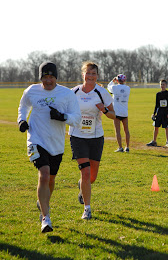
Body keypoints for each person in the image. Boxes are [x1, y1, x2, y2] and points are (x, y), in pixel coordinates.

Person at [17, 62, 81, 233]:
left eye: (51, 76)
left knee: (51, 179)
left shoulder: (66, 94)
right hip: (36, 139)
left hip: (56, 143)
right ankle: (46, 219)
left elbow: (77, 118)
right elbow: (23, 106)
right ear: (41, 78)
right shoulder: (31, 91)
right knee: (44, 174)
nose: (48, 80)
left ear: (56, 77)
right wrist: (21, 120)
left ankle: (43, 202)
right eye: (45, 77)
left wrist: (62, 116)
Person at [69, 61, 115, 220]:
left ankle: (82, 186)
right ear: (83, 74)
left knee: (92, 177)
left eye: (93, 73)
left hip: (96, 137)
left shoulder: (102, 92)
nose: (90, 76)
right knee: (86, 172)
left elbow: (113, 115)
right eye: (88, 73)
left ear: (97, 76)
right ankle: (87, 209)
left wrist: (104, 109)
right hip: (77, 136)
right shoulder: (73, 92)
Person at [107, 74, 130, 152]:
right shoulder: (128, 88)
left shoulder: (114, 87)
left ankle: (120, 147)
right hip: (124, 112)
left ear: (117, 80)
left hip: (116, 112)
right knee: (126, 130)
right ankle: (127, 147)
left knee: (118, 131)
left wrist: (113, 81)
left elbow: (109, 87)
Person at [146, 79, 168, 147]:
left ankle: (167, 142)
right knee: (156, 126)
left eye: (163, 84)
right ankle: (154, 141)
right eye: (161, 84)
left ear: (166, 85)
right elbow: (156, 104)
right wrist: (154, 113)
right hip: (159, 112)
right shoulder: (158, 94)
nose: (162, 86)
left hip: (166, 112)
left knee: (166, 127)